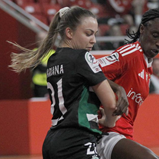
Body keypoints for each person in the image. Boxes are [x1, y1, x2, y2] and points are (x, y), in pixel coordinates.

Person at [8, 6, 128, 159]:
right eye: (88, 34)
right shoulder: (83, 57)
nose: (94, 40)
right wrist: (109, 122)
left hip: (52, 141)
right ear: (69, 32)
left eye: (95, 34)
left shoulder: (53, 59)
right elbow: (111, 104)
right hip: (77, 141)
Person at [96, 8, 159, 159]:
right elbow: (90, 71)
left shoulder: (147, 65)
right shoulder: (131, 53)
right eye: (155, 35)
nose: (158, 43)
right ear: (142, 29)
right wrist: (118, 89)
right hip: (105, 133)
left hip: (124, 134)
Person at [31, 32, 55, 97]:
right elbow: (39, 68)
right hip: (38, 84)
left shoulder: (53, 53)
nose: (41, 41)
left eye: (43, 39)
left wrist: (44, 66)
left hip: (52, 84)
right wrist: (48, 67)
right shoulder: (33, 53)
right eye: (39, 39)